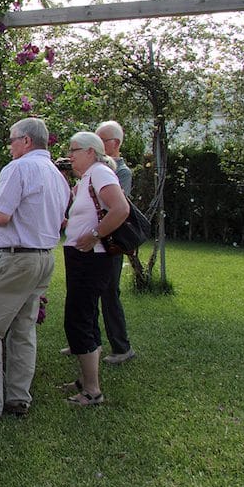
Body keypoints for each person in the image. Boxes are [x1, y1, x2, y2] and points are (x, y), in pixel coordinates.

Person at [0, 118, 69, 418]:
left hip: (17, 258)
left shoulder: (18, 168)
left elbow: (2, 217)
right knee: (23, 328)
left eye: (12, 139)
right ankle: (18, 398)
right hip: (44, 257)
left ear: (26, 141)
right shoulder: (58, 176)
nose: (10, 145)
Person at [60, 131, 131, 406]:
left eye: (74, 150)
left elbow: (120, 208)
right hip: (82, 257)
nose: (70, 155)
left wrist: (94, 235)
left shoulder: (101, 173)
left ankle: (92, 390)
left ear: (91, 151)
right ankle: (86, 379)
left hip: (92, 258)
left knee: (78, 319)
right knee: (86, 317)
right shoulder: (88, 178)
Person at [94, 120, 137, 365]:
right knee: (91, 292)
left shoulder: (121, 172)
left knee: (110, 293)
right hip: (95, 240)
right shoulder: (97, 168)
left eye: (102, 142)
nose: (97, 147)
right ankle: (92, 343)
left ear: (115, 143)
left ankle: (121, 346)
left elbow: (114, 205)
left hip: (110, 242)